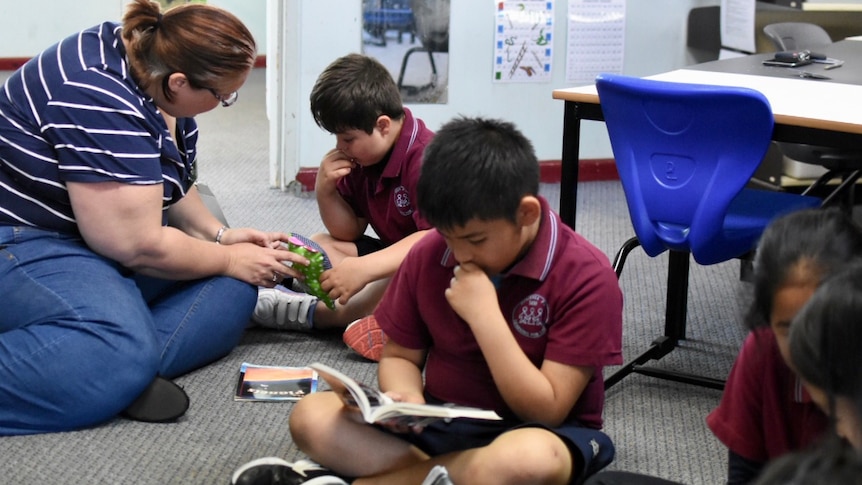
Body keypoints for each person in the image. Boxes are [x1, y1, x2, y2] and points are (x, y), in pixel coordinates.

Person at [232, 116, 624, 485]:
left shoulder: (587, 276)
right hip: (443, 422)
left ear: (525, 213)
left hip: (539, 432)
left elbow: (547, 409)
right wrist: (405, 397)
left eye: (474, 240)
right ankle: (447, 476)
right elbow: (401, 356)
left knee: (527, 461)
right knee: (311, 417)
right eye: (448, 237)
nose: (460, 255)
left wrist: (485, 317)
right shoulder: (432, 252)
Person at [0, 0, 308, 435]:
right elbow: (137, 245)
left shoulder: (151, 65)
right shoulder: (97, 94)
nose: (226, 103)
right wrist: (232, 258)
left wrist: (222, 238)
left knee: (238, 288)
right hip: (23, 238)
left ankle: (101, 371)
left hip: (88, 233)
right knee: (121, 345)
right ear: (180, 82)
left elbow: (168, 183)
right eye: (222, 96)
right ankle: (113, 362)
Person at [252, 53, 435, 361]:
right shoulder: (366, 156)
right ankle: (360, 305)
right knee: (323, 243)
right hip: (390, 258)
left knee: (401, 274)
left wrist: (364, 270)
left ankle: (316, 313)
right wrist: (326, 190)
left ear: (383, 125)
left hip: (431, 264)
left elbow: (435, 239)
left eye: (348, 138)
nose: (340, 146)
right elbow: (348, 230)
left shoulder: (427, 158)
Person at [706, 209, 862, 484]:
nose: (811, 346)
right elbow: (744, 476)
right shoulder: (763, 352)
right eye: (790, 330)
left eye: (823, 324)